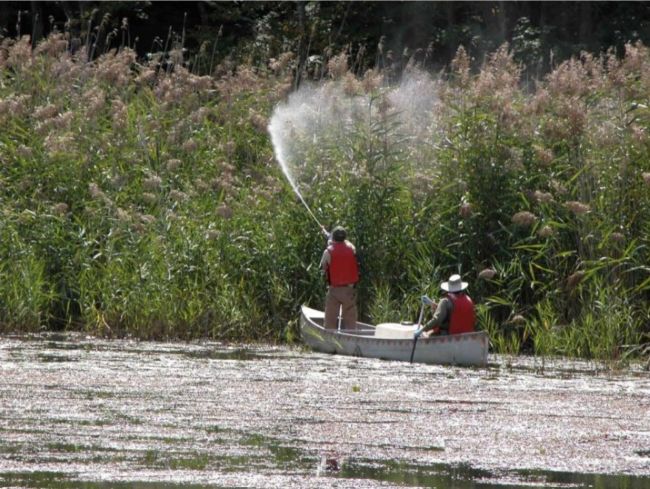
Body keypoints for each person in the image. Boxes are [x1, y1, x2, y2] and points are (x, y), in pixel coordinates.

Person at [319, 225, 359, 329]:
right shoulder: (352, 249)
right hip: (349, 290)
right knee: (350, 320)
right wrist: (327, 235)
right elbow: (345, 245)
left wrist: (329, 240)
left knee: (330, 319)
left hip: (334, 290)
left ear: (334, 238)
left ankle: (329, 339)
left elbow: (322, 268)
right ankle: (351, 339)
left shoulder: (328, 251)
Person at [414, 274, 475, 338]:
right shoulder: (469, 300)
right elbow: (454, 310)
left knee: (425, 334)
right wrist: (432, 304)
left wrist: (422, 330)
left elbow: (436, 320)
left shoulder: (445, 301)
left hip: (449, 335)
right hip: (467, 336)